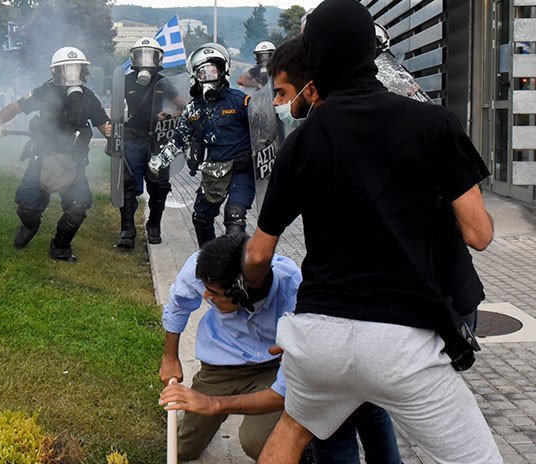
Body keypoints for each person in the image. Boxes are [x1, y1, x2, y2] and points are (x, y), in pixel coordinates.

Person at [241, 1, 501, 462]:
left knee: (291, 434)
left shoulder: (300, 143)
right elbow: (479, 234)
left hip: (319, 336)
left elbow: (259, 255)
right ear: (373, 49)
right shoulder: (432, 123)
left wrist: (253, 293)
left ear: (314, 60)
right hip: (401, 343)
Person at [158, 232, 402, 463]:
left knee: (258, 442)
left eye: (214, 295)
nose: (206, 297)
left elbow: (280, 393)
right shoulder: (206, 268)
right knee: (183, 448)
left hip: (272, 368)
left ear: (240, 296)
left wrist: (214, 404)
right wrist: (171, 357)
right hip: (220, 364)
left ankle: (305, 454)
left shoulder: (296, 299)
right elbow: (178, 305)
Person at [0, 47, 112, 262]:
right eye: (67, 70)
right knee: (27, 207)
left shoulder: (90, 99)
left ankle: (60, 247)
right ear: (56, 72)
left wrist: (112, 133)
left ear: (83, 72)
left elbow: (104, 124)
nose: (72, 75)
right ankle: (29, 227)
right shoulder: (43, 92)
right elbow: (15, 107)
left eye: (76, 69)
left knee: (78, 207)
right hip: (41, 156)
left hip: (74, 162)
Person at [149, 43, 254, 248]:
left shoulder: (240, 100)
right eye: (202, 72)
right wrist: (160, 160)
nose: (208, 77)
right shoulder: (193, 109)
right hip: (214, 170)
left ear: (223, 72)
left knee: (235, 217)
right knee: (201, 217)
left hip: (242, 169)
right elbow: (180, 140)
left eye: (213, 71)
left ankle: (237, 269)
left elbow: (262, 128)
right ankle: (209, 260)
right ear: (194, 76)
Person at [117, 37, 173, 249]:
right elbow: (115, 107)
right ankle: (127, 229)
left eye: (151, 56)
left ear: (158, 59)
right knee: (128, 183)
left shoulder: (164, 82)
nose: (147, 61)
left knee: (159, 186)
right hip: (132, 136)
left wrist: (169, 115)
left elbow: (180, 105)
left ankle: (154, 226)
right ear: (134, 57)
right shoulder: (125, 80)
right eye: (143, 55)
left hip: (158, 139)